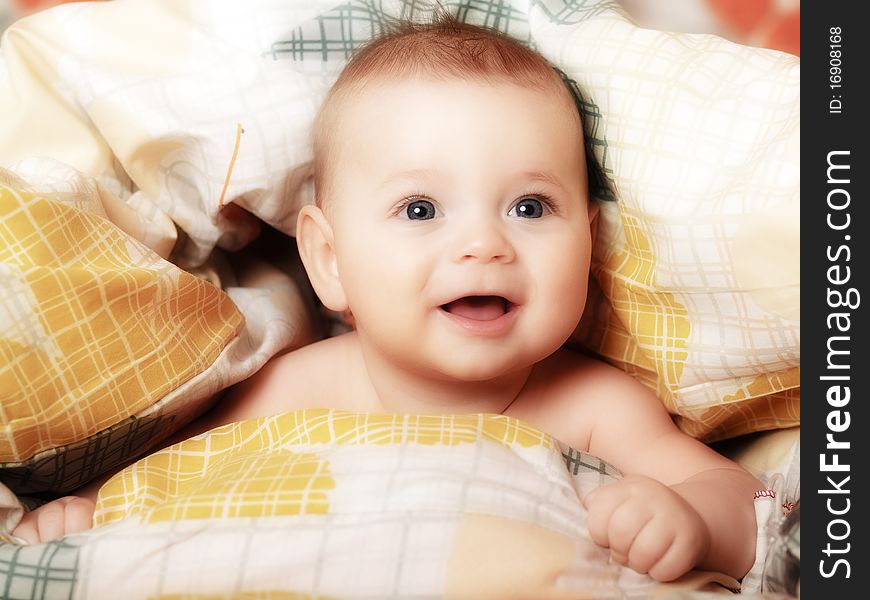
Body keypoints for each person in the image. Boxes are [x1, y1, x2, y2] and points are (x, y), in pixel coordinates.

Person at [12, 15, 762, 583]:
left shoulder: (596, 405)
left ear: (589, 244)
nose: (483, 246)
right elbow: (171, 483)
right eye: (420, 210)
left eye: (529, 207)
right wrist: (94, 511)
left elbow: (750, 505)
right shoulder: (297, 387)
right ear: (330, 262)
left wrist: (692, 519)